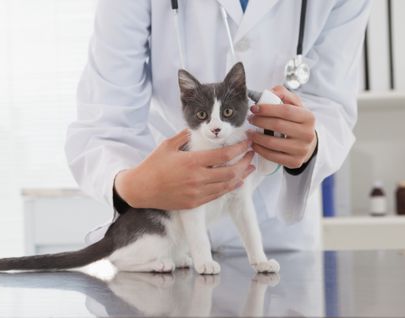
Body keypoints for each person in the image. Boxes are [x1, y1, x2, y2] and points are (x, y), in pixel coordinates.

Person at [65, 0, 371, 251]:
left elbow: (331, 105)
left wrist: (310, 142)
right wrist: (132, 186)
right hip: (164, 227)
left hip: (275, 235)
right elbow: (105, 117)